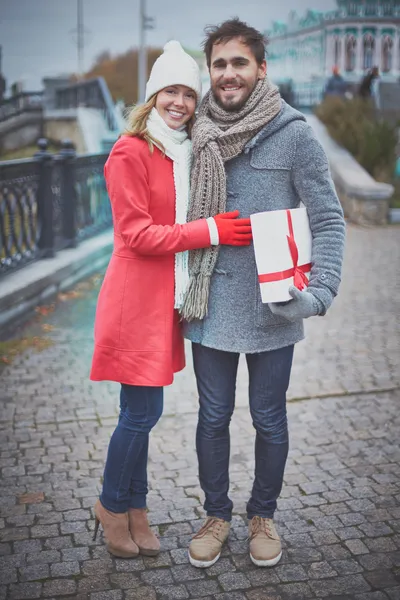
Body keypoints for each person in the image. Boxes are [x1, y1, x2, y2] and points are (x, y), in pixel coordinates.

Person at [181, 19, 346, 569]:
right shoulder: (192, 134)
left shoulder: (294, 133)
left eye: (239, 63)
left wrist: (318, 292)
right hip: (210, 304)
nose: (228, 74)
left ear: (261, 69)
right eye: (219, 64)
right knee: (212, 417)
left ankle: (262, 515)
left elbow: (328, 218)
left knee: (270, 418)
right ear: (210, 72)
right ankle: (217, 513)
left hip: (276, 307)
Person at [90, 40, 252, 559]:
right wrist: (209, 231)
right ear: (152, 94)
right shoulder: (130, 151)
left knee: (141, 412)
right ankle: (112, 506)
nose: (179, 102)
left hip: (160, 303)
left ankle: (136, 508)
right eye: (170, 91)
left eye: (188, 93)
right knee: (140, 414)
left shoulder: (179, 151)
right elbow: (136, 234)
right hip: (133, 302)